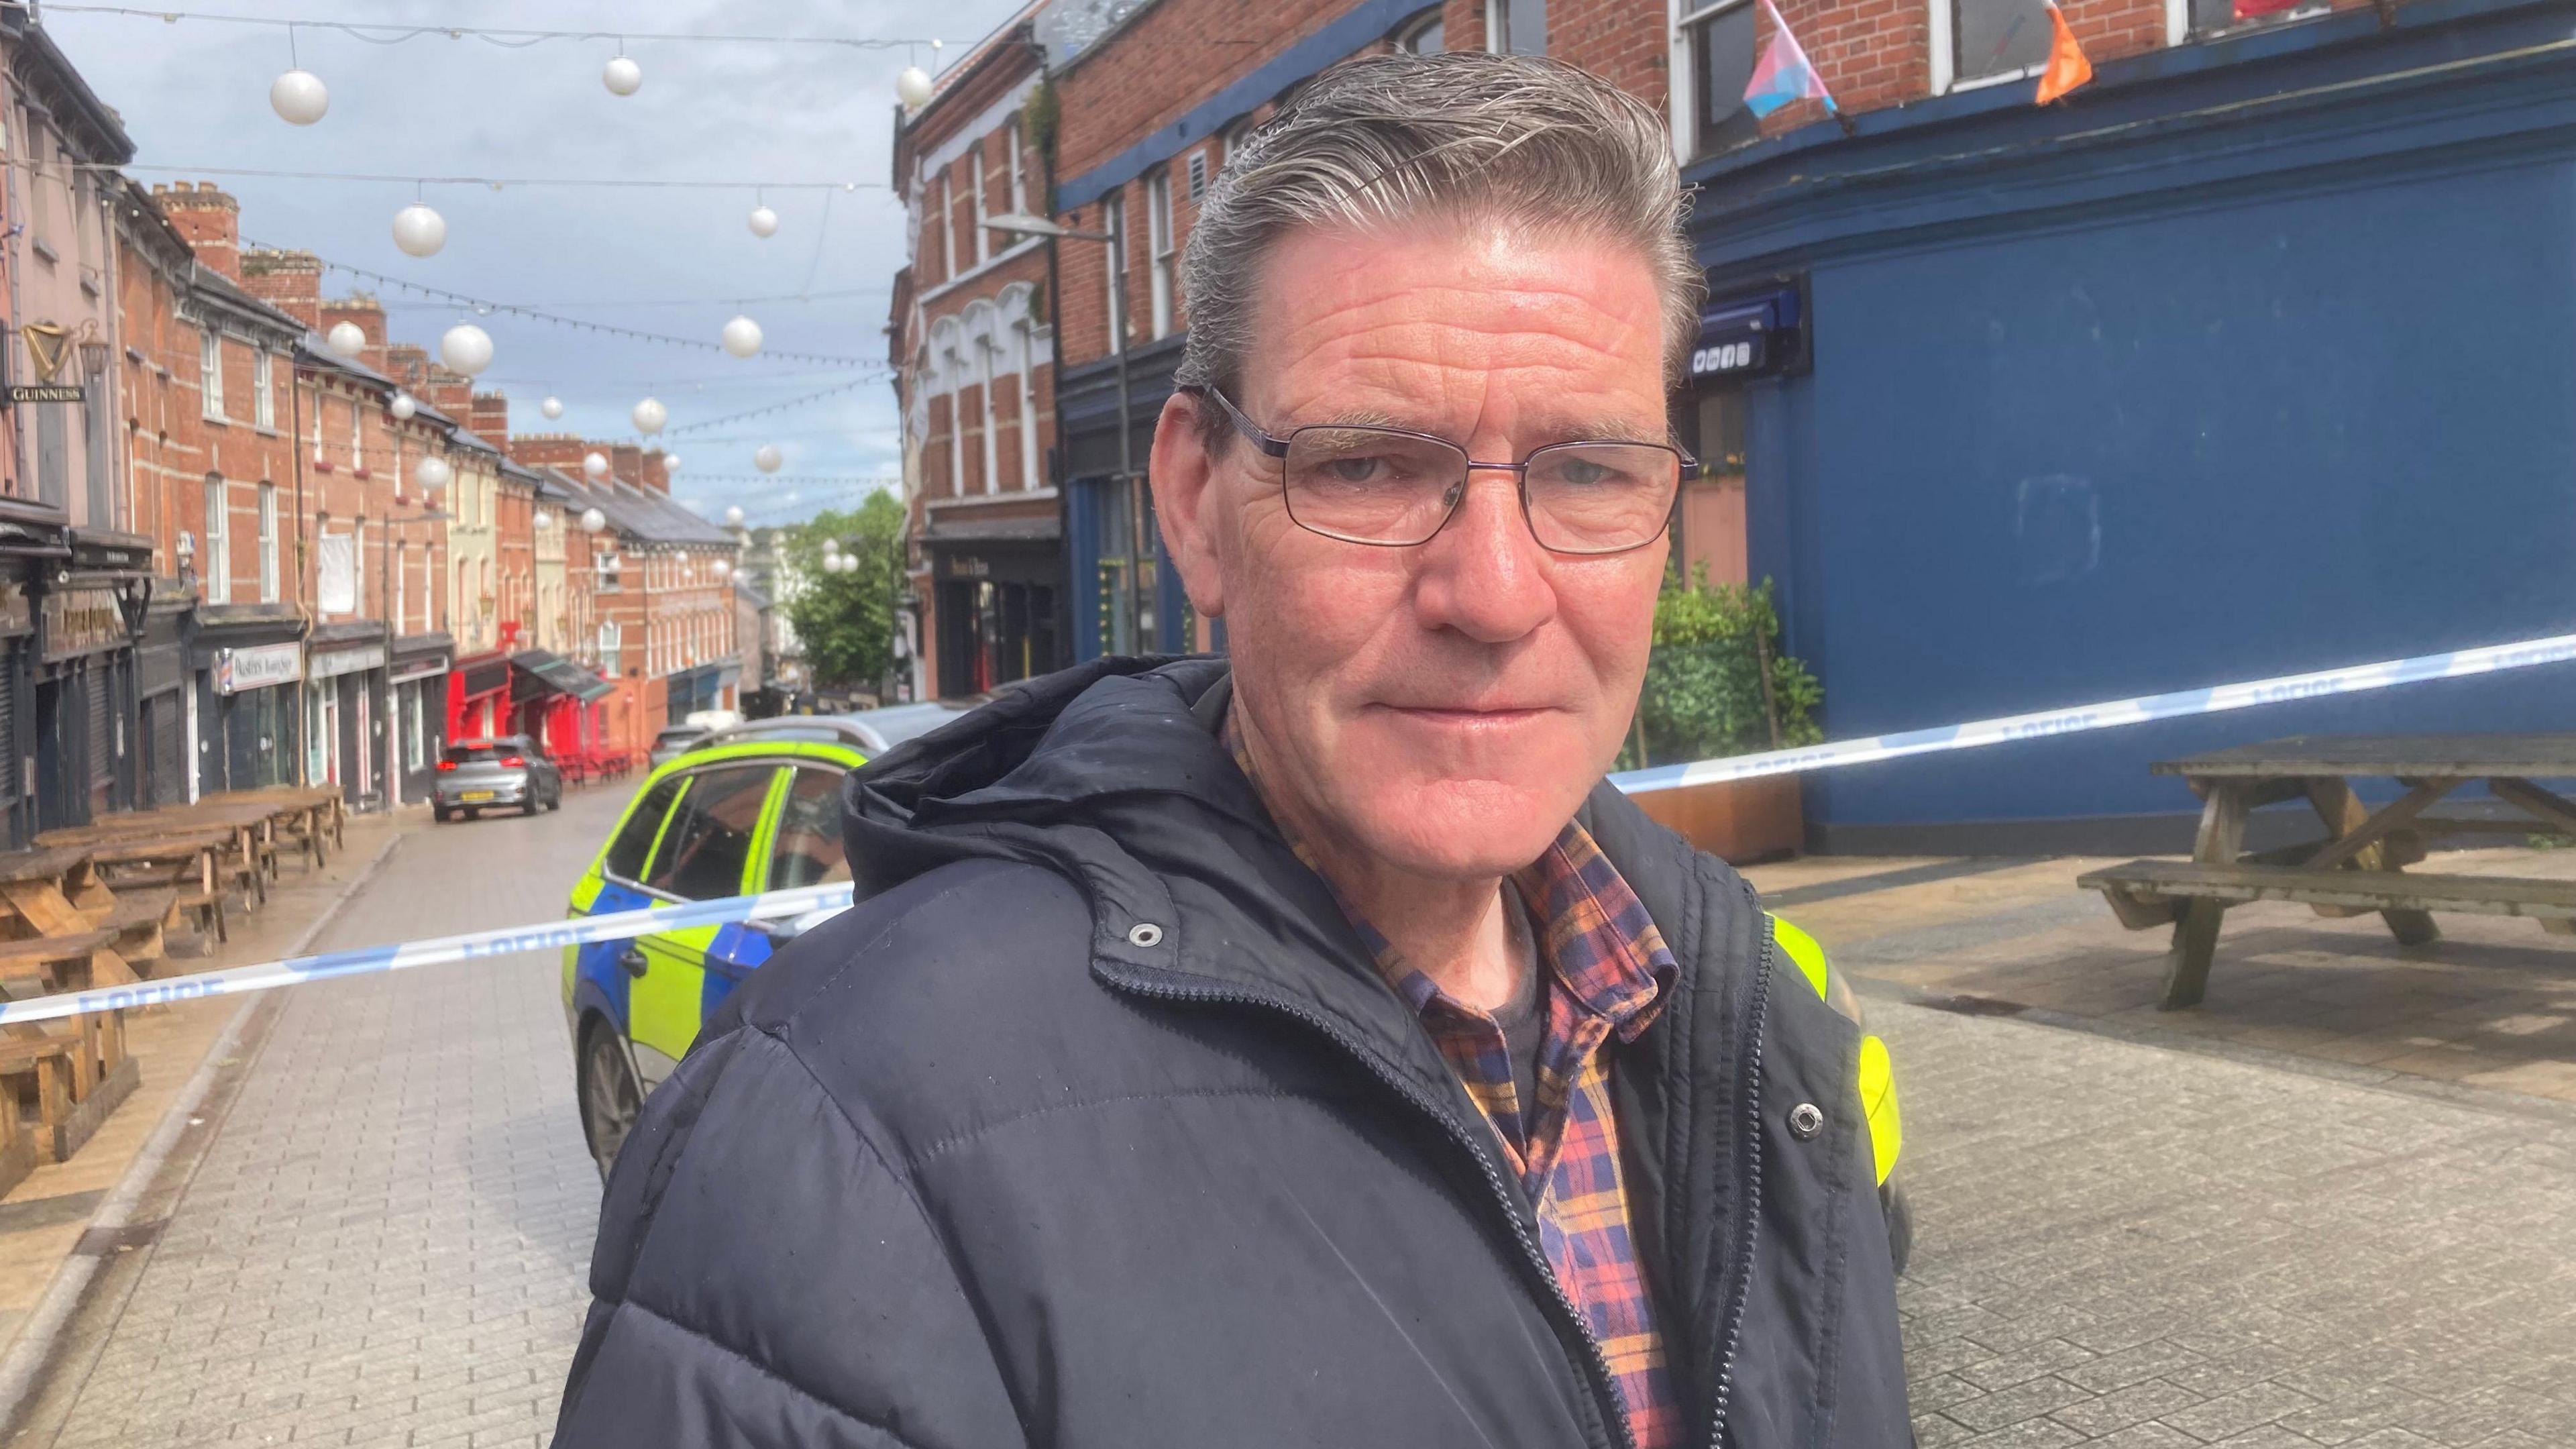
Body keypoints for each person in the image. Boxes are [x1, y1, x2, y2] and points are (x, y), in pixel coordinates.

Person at [556, 51, 1909, 1449]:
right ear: (1197, 506)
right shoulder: (841, 1139)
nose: (1497, 592)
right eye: (1368, 466)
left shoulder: (1751, 1013)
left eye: (1586, 471)